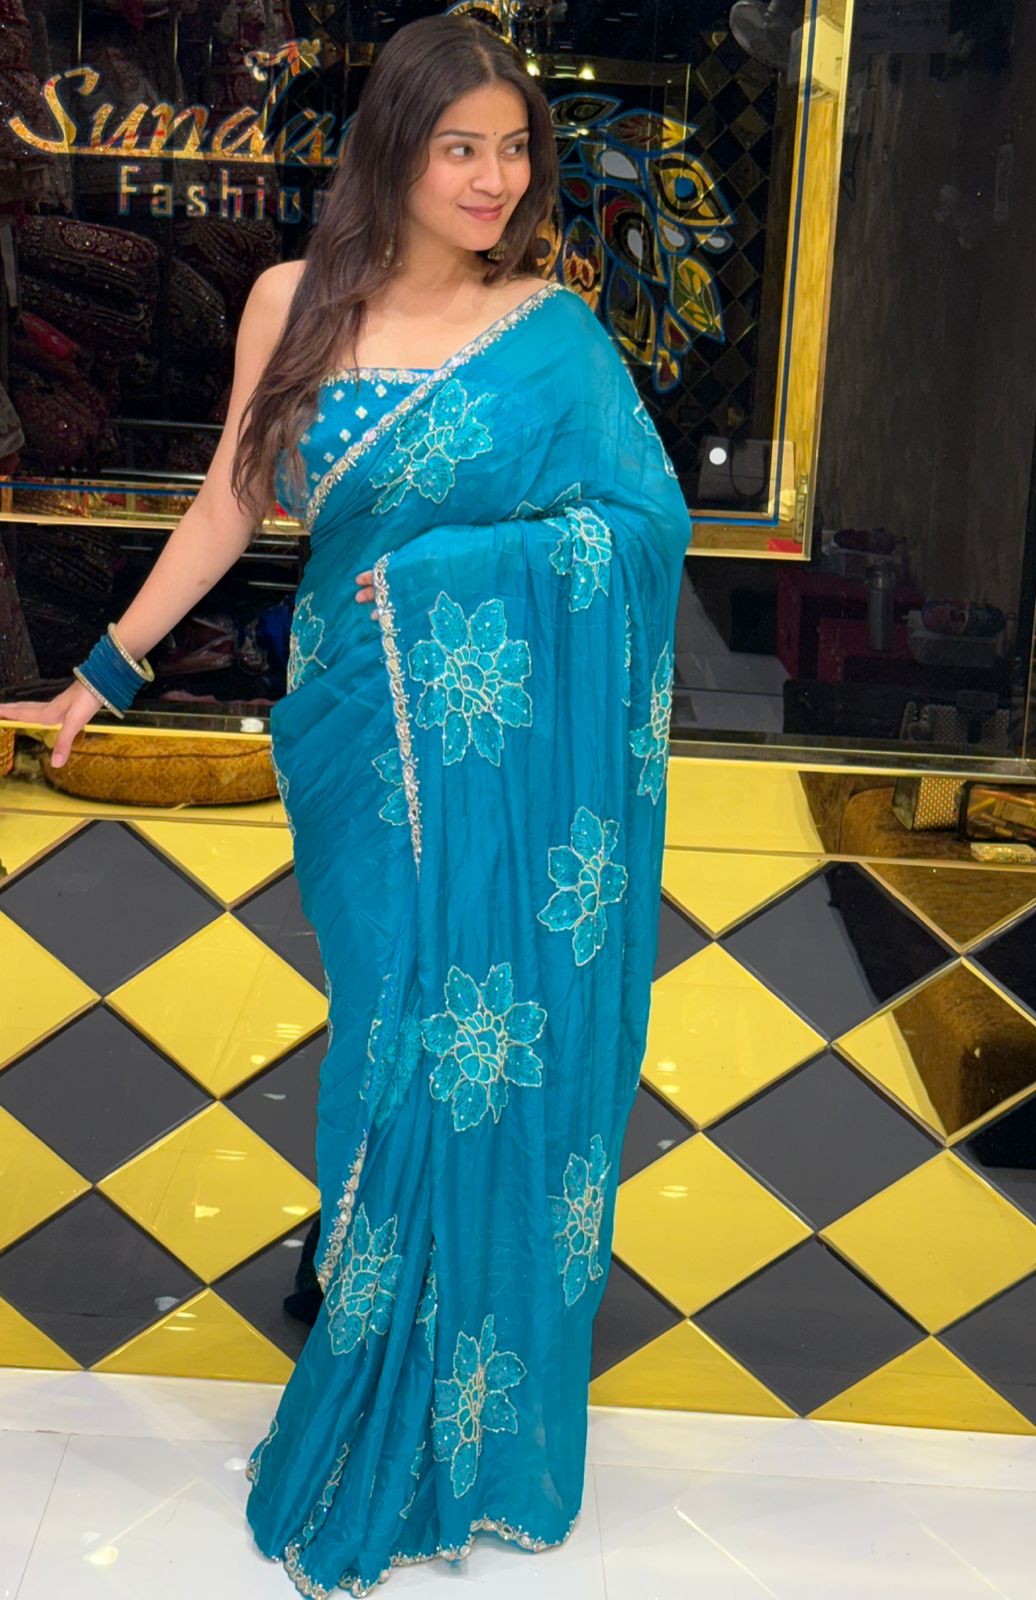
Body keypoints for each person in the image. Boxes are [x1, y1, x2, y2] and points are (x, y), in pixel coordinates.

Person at [0, 13, 691, 1596]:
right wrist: (96, 672)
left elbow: (637, 530)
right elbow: (237, 498)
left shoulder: (554, 332)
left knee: (471, 1051)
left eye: (514, 150)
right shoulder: (289, 304)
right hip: (362, 752)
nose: (494, 178)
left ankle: (450, 1399)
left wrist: (446, 577)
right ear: (394, 146)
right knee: (397, 1039)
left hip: (495, 763)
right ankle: (381, 1354)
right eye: (462, 147)